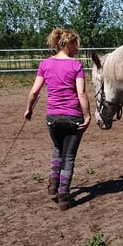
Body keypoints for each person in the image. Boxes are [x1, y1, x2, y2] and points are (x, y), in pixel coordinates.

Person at [24, 27, 91, 210]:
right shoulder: (76, 66)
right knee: (68, 156)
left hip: (52, 117)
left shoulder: (44, 64)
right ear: (68, 44)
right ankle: (63, 196)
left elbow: (34, 91)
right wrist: (87, 115)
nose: (77, 48)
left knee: (57, 149)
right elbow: (82, 93)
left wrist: (29, 110)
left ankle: (53, 186)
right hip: (72, 117)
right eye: (76, 44)